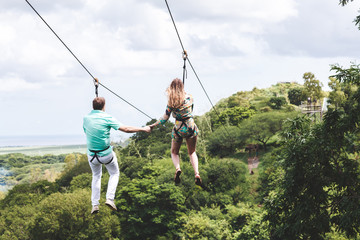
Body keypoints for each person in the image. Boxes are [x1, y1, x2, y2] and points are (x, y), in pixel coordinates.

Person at [83, 97, 151, 214]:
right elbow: (126, 129)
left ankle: (95, 205)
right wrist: (143, 129)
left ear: (93, 106)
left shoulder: (86, 118)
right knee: (114, 173)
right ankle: (109, 198)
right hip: (105, 154)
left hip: (92, 155)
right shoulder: (107, 118)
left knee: (96, 176)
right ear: (104, 106)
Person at [149, 78, 202, 186]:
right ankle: (196, 173)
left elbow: (165, 118)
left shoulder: (171, 102)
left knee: (174, 152)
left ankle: (178, 168)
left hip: (178, 128)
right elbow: (191, 109)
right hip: (190, 126)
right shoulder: (190, 97)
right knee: (192, 152)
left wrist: (154, 125)